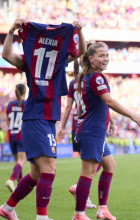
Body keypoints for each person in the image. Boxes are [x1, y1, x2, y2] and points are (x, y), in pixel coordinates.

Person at [0, 18, 86, 220]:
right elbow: (80, 52)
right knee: (49, 169)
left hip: (43, 119)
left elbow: (81, 52)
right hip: (37, 117)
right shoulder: (53, 57)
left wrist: (12, 31)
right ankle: (42, 217)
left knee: (37, 174)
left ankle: (8, 208)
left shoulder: (41, 57)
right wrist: (11, 30)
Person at [71, 42, 140, 220]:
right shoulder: (96, 77)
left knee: (109, 166)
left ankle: (102, 209)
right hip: (91, 131)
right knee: (88, 172)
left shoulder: (87, 77)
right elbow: (108, 101)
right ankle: (79, 214)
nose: (105, 59)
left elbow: (97, 104)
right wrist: (131, 115)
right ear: (91, 59)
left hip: (93, 130)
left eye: (107, 56)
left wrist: (109, 119)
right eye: (101, 56)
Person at [58, 59, 97, 209]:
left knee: (94, 163)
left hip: (77, 125)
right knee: (91, 164)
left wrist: (62, 127)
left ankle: (81, 192)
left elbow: (69, 107)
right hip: (88, 125)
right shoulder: (89, 80)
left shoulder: (73, 83)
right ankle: (80, 192)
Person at [4, 84, 27, 193]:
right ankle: (11, 180)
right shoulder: (26, 104)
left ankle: (20, 184)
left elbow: (7, 121)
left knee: (17, 162)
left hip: (11, 134)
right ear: (24, 92)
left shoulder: (10, 105)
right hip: (21, 134)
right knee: (22, 160)